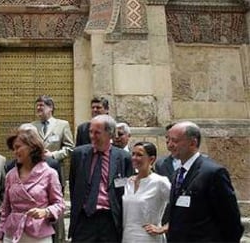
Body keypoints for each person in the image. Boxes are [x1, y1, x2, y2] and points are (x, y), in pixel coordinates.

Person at [166, 121, 243, 242]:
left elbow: (230, 220)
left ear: (193, 142)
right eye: (168, 140)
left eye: (175, 141)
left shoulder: (213, 173)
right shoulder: (177, 173)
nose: (169, 145)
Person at [69, 114, 133, 243]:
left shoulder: (124, 158)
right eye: (90, 132)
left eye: (97, 133)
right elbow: (74, 184)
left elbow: (127, 189)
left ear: (110, 134)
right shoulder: (78, 154)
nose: (92, 136)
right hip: (84, 218)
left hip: (110, 220)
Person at [0, 127, 65, 243]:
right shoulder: (11, 175)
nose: (15, 152)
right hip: (12, 234)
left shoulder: (49, 173)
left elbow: (60, 204)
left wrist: (45, 212)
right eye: (13, 149)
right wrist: (0, 236)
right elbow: (6, 209)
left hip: (38, 234)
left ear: (32, 147)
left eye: (18, 147)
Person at [31, 95, 73, 243]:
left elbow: (70, 148)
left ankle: (58, 238)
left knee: (56, 205)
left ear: (50, 107)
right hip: (35, 174)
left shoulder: (62, 125)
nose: (38, 108)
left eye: (41, 105)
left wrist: (54, 155)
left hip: (55, 172)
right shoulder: (32, 126)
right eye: (37, 106)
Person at [122, 141, 171, 243]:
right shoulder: (128, 182)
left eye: (139, 155)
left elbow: (181, 209)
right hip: (126, 236)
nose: (134, 158)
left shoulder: (160, 182)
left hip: (148, 237)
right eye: (133, 154)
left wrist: (164, 228)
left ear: (151, 159)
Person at [154, 123, 179, 225]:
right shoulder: (161, 164)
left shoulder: (202, 164)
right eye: (167, 138)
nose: (168, 142)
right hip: (167, 217)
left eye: (173, 139)